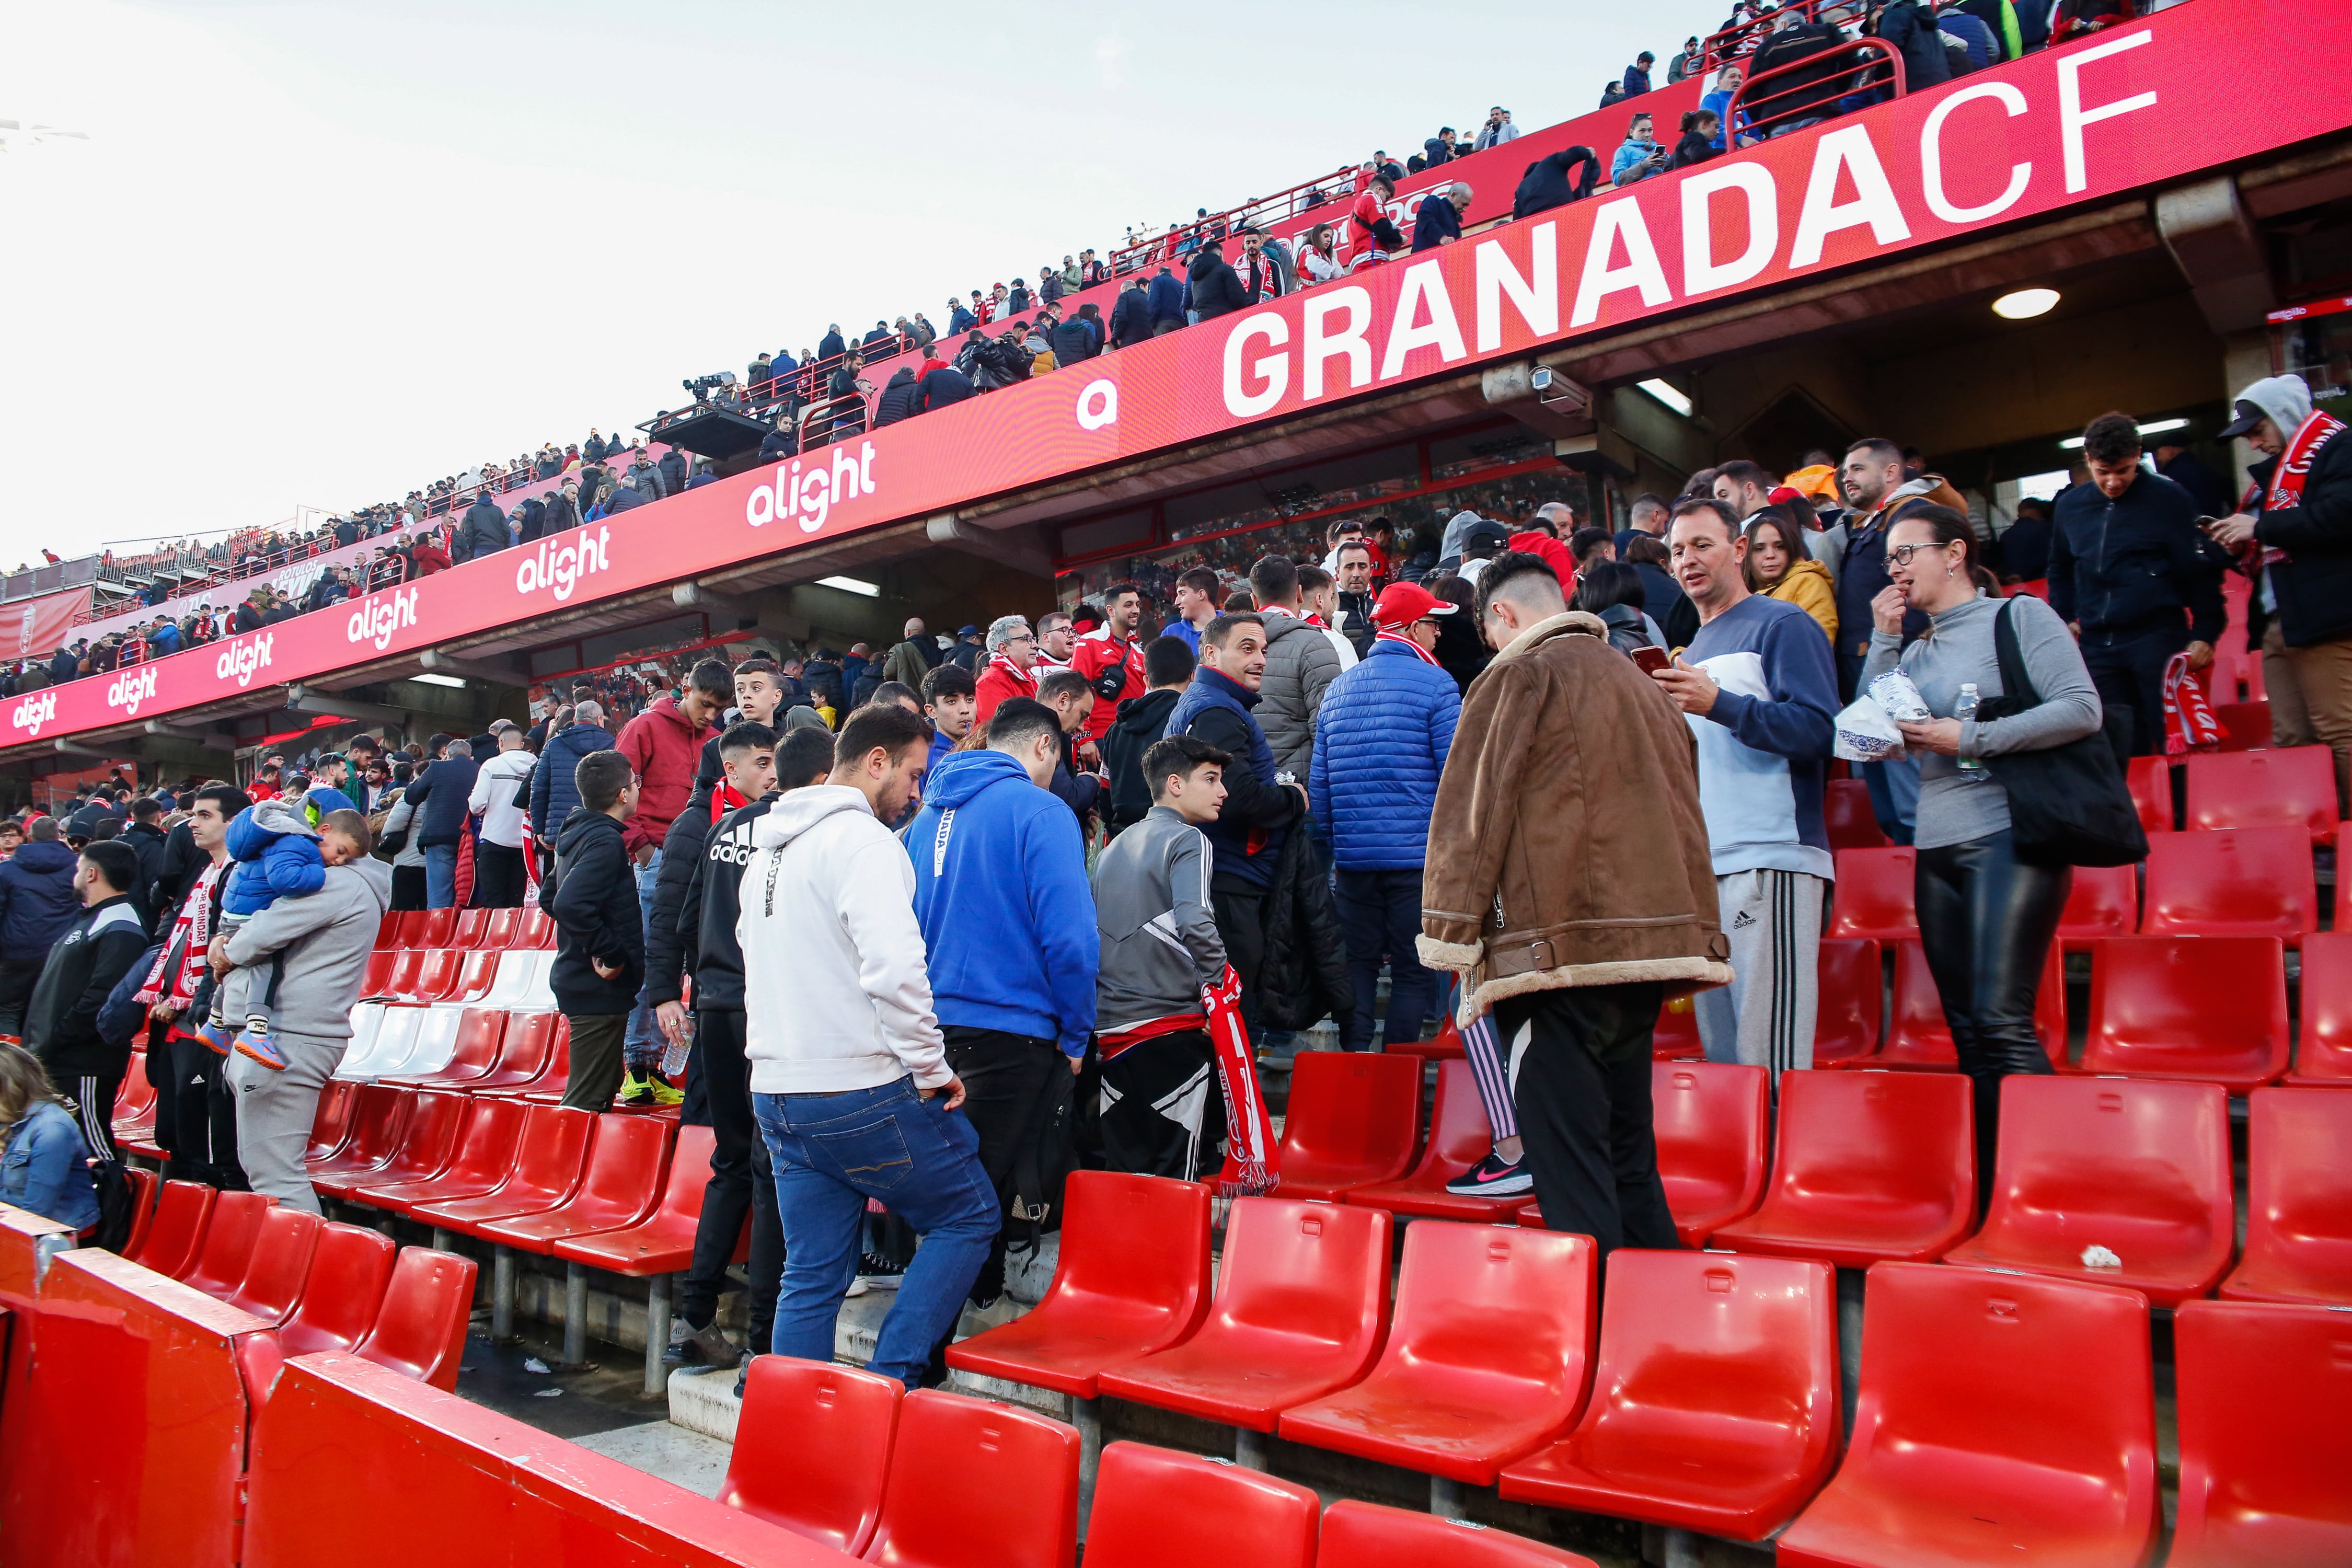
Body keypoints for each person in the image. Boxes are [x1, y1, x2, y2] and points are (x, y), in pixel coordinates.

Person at [1419, 552, 1729, 1257]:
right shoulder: (1643, 683)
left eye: (1489, 630)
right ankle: (1653, 1326)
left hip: (1556, 956)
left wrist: (1450, 934)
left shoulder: (1516, 676)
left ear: (1502, 614)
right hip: (1647, 954)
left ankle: (1592, 1340)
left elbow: (1471, 817)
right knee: (1629, 1159)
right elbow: (1688, 809)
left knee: (1570, 1172)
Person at [742, 704, 998, 1390]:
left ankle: (789, 1433)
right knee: (970, 1213)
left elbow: (753, 961)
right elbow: (895, 972)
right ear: (876, 760)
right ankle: (888, 1392)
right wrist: (931, 1068)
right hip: (857, 1085)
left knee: (813, 1273)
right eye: (914, 774)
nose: (918, 791)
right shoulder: (865, 845)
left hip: (778, 1089)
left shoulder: (767, 850)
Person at [1862, 505, 2100, 1200]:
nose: (1897, 569)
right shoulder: (1913, 650)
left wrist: (1966, 738)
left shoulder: (2018, 618)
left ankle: (2057, 1186)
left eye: (1908, 553)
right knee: (1968, 1028)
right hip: (1936, 844)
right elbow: (1864, 741)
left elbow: (2081, 709)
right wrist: (1881, 643)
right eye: (1890, 561)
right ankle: (2004, 1189)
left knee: (2001, 1017)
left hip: (2009, 833)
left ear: (1956, 553)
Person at [905, 697, 1096, 1323]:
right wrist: (1076, 1032)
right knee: (972, 1200)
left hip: (931, 1026)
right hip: (1012, 1029)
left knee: (961, 1185)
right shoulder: (1042, 811)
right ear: (1044, 745)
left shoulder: (924, 817)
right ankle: (928, 1352)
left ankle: (967, 1312)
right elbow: (1070, 938)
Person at [1655, 501, 1839, 1081]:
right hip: (1707, 868)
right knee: (1728, 1058)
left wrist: (1721, 704)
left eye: (1702, 545)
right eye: (1678, 550)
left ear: (1739, 550)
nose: (1688, 560)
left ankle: (1781, 1169)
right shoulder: (1696, 646)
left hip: (1771, 855)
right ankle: (1747, 1170)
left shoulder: (1783, 624)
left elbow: (1819, 730)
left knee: (1772, 1054)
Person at [664, 721, 787, 1370]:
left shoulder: (721, 832)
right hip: (762, 1009)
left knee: (732, 1163)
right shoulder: (790, 834)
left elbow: (686, 923)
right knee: (768, 1171)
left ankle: (693, 1316)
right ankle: (763, 1345)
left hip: (714, 1006)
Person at [212, 814, 388, 1212]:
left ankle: (302, 1271)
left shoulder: (339, 883)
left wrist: (225, 950)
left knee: (277, 1178)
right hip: (291, 1033)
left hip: (290, 1035)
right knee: (270, 1173)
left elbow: (261, 934)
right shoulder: (351, 882)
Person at [1312, 583, 1460, 1052]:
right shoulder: (1437, 684)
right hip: (1417, 863)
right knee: (1413, 975)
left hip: (1356, 864)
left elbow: (1321, 787)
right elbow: (1456, 779)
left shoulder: (1338, 690)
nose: (1438, 635)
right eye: (1434, 625)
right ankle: (1399, 1077)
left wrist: (1342, 848)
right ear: (1414, 628)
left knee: (1358, 965)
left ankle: (1357, 1068)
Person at [1089, 735, 1233, 1179]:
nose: (1222, 791)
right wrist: (1222, 979)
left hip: (1111, 1033)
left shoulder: (1113, 848)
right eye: (1210, 779)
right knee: (1176, 1180)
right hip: (1169, 1029)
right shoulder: (1189, 840)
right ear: (1174, 784)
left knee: (1126, 1175)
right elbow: (1196, 922)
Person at [2207, 374, 2352, 812]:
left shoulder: (2338, 448)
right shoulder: (2275, 477)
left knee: (2340, 730)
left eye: (2258, 430)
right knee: (2293, 738)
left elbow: (2342, 516)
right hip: (2280, 621)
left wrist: (2262, 526)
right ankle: (2324, 836)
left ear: (2284, 417)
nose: (2254, 443)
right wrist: (2242, 542)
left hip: (2327, 618)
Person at [1162, 615, 1307, 1044]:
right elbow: (1235, 796)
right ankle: (1234, 1109)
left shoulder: (1215, 704)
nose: (1261, 659)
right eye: (1247, 649)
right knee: (1231, 1009)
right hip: (1228, 880)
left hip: (1226, 875)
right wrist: (1293, 798)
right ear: (1210, 653)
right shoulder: (1216, 709)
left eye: (1263, 650)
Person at [2047, 411, 2224, 758]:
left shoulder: (2169, 499)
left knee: (2173, 737)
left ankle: (2181, 809)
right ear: (2089, 461)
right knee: (2115, 745)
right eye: (2103, 472)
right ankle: (2133, 812)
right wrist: (2064, 616)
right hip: (2097, 643)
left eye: (2123, 471)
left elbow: (2198, 569)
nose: (2113, 482)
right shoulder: (2070, 507)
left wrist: (2206, 630)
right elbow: (2060, 567)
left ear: (2138, 457)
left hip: (2157, 636)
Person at [615, 663, 723, 1103]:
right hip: (658, 857)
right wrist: (642, 848)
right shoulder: (644, 727)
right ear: (684, 690)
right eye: (705, 704)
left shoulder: (716, 742)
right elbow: (617, 789)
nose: (709, 714)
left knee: (695, 964)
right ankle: (639, 1067)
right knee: (656, 962)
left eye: (717, 709)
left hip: (705, 859)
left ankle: (667, 1068)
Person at [134, 783, 249, 1189]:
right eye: (192, 815)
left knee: (201, 1137)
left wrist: (192, 1004)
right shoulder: (206, 873)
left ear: (234, 823)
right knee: (174, 1131)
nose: (192, 824)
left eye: (205, 816)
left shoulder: (238, 873)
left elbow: (222, 951)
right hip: (181, 1013)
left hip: (204, 1019)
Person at [199, 798, 369, 1069]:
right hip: (248, 916)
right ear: (323, 830)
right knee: (267, 966)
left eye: (345, 859)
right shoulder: (299, 843)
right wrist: (317, 873)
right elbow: (286, 881)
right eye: (340, 851)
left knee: (234, 969)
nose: (338, 862)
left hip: (236, 913)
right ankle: (257, 1033)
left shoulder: (288, 839)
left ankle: (215, 1022)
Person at [20, 839, 148, 1161]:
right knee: (67, 1147)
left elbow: (103, 998)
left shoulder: (121, 924)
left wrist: (56, 1037)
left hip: (84, 1061)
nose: (74, 876)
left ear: (91, 874)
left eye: (78, 869)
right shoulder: (91, 919)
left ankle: (113, 1207)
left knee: (93, 1149)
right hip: (58, 1056)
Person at [543, 751, 645, 1114]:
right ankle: (556, 1171)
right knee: (585, 1103)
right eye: (636, 783)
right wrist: (610, 953)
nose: (637, 790)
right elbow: (567, 903)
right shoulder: (604, 841)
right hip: (595, 987)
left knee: (600, 1092)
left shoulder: (577, 833)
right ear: (622, 795)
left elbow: (549, 896)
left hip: (586, 982)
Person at [1247, 556, 1344, 793]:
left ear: (1253, 600)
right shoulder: (1315, 644)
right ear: (1300, 594)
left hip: (1248, 790)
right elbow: (1330, 730)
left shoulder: (1229, 648)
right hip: (1304, 790)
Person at [0, 1042, 100, 1231]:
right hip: (14, 1220)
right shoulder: (17, 1119)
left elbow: (36, 1215)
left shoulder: (52, 1131)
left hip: (56, 1234)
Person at [1101, 635, 1194, 838]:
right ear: (1193, 676)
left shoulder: (1115, 729)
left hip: (1123, 839)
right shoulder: (1190, 723)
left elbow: (1105, 791)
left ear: (1147, 680)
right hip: (1173, 839)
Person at [0, 816, 80, 1039]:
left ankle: (9, 1068)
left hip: (17, 951)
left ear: (29, 837)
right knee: (53, 1011)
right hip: (61, 950)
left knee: (8, 1010)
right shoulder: (78, 868)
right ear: (59, 837)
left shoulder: (7, 870)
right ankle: (47, 1065)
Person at [401, 737, 478, 909]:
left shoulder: (436, 768)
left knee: (439, 896)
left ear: (447, 755)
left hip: (438, 837)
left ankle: (439, 932)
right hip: (469, 839)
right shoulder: (479, 770)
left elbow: (412, 796)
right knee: (467, 893)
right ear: (470, 756)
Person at [466, 726, 537, 908]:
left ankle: (496, 937)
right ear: (522, 745)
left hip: (495, 839)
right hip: (525, 843)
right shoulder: (537, 766)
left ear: (501, 743)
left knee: (494, 900)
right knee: (518, 900)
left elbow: (477, 804)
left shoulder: (491, 765)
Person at [1070, 581, 1147, 750]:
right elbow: (1075, 691)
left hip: (1134, 739)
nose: (1135, 610)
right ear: (1110, 611)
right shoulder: (1089, 643)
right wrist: (1084, 738)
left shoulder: (1139, 653)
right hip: (1101, 739)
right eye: (1128, 605)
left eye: (1137, 604)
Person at [531, 698, 612, 854]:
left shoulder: (553, 745)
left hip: (562, 832)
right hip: (603, 830)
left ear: (575, 720)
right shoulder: (615, 745)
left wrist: (539, 828)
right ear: (600, 720)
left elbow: (539, 788)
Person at [1746, 508, 1838, 645]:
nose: (1770, 555)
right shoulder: (1742, 593)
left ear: (1791, 549)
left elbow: (1818, 643)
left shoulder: (1808, 581)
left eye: (1780, 547)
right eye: (1759, 549)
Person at [972, 615, 1040, 728]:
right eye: (1026, 639)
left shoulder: (1026, 677)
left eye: (1033, 639)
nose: (1035, 646)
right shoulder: (990, 682)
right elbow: (1003, 733)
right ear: (1004, 649)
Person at [920, 663, 979, 776]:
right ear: (931, 711)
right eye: (952, 701)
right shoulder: (927, 761)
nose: (965, 710)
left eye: (970, 700)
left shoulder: (981, 749)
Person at [1610, 113, 1670, 187]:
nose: (1647, 134)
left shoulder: (1660, 151)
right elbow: (1619, 180)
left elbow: (1676, 171)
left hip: (1665, 190)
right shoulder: (1623, 151)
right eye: (1642, 131)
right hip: (1641, 194)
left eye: (1650, 130)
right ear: (1632, 132)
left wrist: (1665, 165)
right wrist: (1643, 166)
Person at [882, 617, 941, 690]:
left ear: (908, 632)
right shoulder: (938, 650)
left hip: (910, 696)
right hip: (933, 696)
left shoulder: (900, 650)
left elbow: (888, 673)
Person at [1411, 183, 1471, 252]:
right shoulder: (1433, 202)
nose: (1465, 209)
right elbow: (1425, 218)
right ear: (1453, 196)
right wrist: (1442, 237)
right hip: (1423, 260)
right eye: (1464, 204)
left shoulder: (1456, 226)